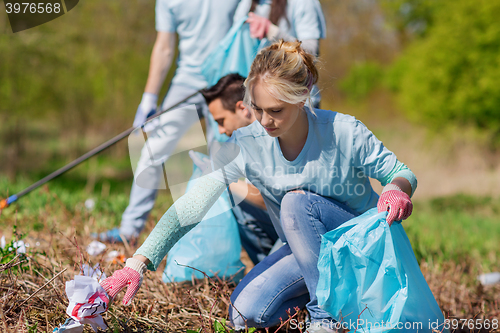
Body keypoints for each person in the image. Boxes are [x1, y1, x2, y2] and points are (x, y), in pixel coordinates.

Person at [100, 40, 416, 333]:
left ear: (303, 95)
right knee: (245, 313)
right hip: (311, 255)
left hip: (358, 248)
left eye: (276, 110)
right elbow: (193, 203)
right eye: (257, 109)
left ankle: (326, 318)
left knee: (295, 203)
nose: (264, 121)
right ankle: (343, 308)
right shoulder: (245, 143)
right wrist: (138, 262)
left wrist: (396, 188)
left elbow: (401, 173)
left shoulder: (342, 131)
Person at [96, 0, 242, 243]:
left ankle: (229, 238)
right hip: (187, 81)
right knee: (152, 151)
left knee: (225, 159)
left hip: (228, 80)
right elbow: (164, 47)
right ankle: (129, 230)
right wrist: (148, 100)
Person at [200, 73, 279, 264]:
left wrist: (221, 177)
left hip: (302, 226)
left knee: (232, 196)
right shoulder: (246, 140)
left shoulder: (270, 133)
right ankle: (268, 265)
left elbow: (267, 196)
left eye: (221, 121)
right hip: (283, 221)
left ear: (242, 108)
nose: (220, 130)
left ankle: (269, 267)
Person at [235, 0, 326, 107]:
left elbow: (311, 52)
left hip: (296, 101)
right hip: (255, 100)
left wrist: (272, 32)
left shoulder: (303, 2)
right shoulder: (245, 4)